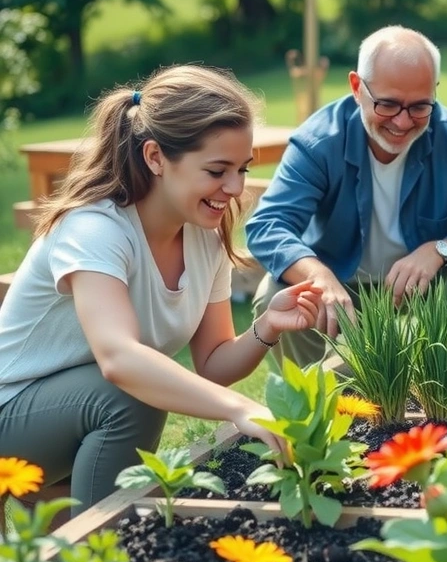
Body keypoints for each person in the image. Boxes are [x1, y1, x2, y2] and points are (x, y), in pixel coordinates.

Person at [0, 66, 319, 515]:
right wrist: (240, 409)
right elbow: (119, 359)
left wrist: (265, 327)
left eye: (243, 169)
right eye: (217, 170)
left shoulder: (203, 235)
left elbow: (211, 364)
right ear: (155, 157)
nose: (236, 188)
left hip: (76, 414)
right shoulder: (95, 229)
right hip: (11, 412)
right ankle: (103, 552)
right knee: (132, 393)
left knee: (132, 397)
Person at [246, 25, 447, 368]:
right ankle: (312, 407)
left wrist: (440, 250)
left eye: (420, 107)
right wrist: (316, 274)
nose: (403, 122)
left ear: (434, 93)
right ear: (357, 87)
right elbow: (267, 224)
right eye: (388, 104)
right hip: (340, 282)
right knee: (275, 294)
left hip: (424, 283)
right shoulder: (318, 142)